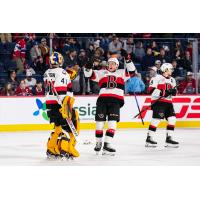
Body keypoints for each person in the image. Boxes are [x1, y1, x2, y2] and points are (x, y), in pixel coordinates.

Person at [84, 57, 135, 155]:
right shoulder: (101, 73)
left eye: (113, 64)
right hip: (102, 100)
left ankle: (107, 144)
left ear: (117, 65)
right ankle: (98, 143)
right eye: (109, 63)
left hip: (116, 101)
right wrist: (88, 66)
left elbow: (132, 71)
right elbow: (88, 74)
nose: (111, 65)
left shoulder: (122, 72)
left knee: (112, 124)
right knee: (99, 124)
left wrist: (128, 60)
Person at [43, 52, 80, 160]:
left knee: (57, 128)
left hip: (50, 104)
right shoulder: (62, 72)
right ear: (61, 61)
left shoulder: (46, 73)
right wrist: (65, 106)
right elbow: (61, 90)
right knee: (67, 129)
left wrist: (69, 74)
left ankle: (51, 149)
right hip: (62, 104)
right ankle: (65, 151)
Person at [146, 63, 179, 147]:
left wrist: (174, 92)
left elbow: (175, 92)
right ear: (165, 70)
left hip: (169, 103)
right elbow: (151, 90)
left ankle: (169, 139)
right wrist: (164, 92)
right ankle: (149, 138)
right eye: (170, 69)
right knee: (156, 119)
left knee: (172, 119)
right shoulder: (156, 78)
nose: (172, 70)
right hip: (158, 102)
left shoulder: (172, 80)